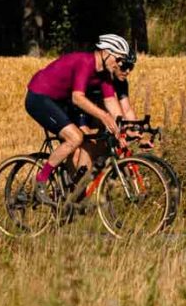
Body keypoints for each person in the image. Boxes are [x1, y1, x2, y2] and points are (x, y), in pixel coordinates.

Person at [24, 34, 133, 193]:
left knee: (87, 141)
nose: (120, 64)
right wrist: (104, 116)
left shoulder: (104, 75)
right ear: (105, 52)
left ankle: (70, 194)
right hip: (39, 97)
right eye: (118, 59)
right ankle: (41, 180)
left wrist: (123, 129)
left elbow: (111, 103)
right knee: (75, 137)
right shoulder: (86, 62)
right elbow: (77, 98)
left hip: (59, 102)